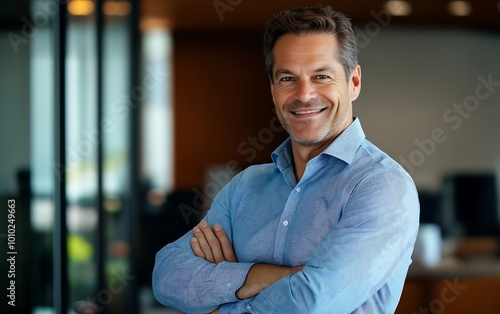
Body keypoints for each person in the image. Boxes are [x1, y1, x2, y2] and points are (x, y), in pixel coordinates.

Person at [153, 5, 419, 314]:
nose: (304, 95)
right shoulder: (244, 188)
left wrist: (223, 297)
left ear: (354, 82)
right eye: (288, 78)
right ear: (272, 89)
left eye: (321, 76)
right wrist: (277, 278)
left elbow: (310, 304)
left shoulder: (382, 186)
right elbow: (166, 276)